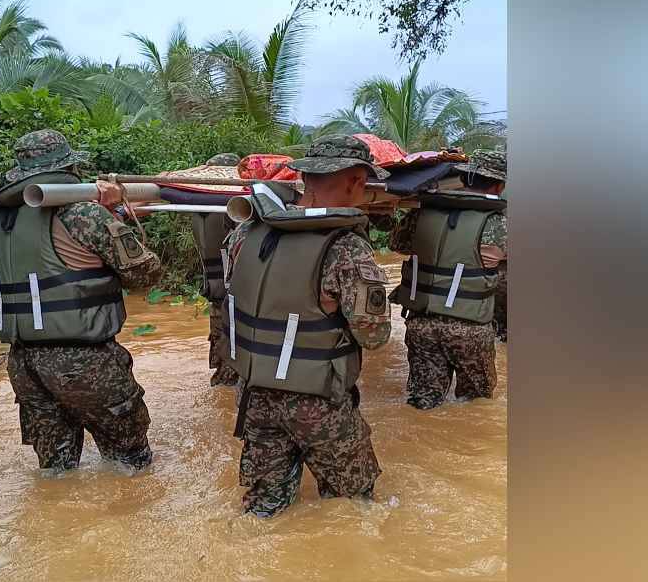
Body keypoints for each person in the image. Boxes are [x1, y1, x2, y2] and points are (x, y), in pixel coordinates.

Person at [223, 134, 392, 518]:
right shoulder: (347, 248)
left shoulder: (245, 231)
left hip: (256, 397)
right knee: (353, 508)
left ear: (305, 177)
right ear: (356, 181)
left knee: (265, 512)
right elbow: (375, 335)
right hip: (320, 403)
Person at [0, 129, 161, 471]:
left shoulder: (4, 217)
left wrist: (116, 218)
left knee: (56, 470)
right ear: (67, 166)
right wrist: (111, 216)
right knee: (132, 466)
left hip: (25, 363)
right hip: (83, 363)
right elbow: (145, 275)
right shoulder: (84, 213)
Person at [388, 148, 508, 409]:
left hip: (421, 325)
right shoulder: (499, 223)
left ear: (464, 180)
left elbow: (396, 244)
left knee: (423, 403)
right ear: (499, 186)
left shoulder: (420, 214)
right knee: (475, 406)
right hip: (470, 330)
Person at [190, 153, 241, 386]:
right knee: (232, 354)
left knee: (224, 352)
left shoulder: (195, 204)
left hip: (218, 292)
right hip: (233, 297)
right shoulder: (236, 206)